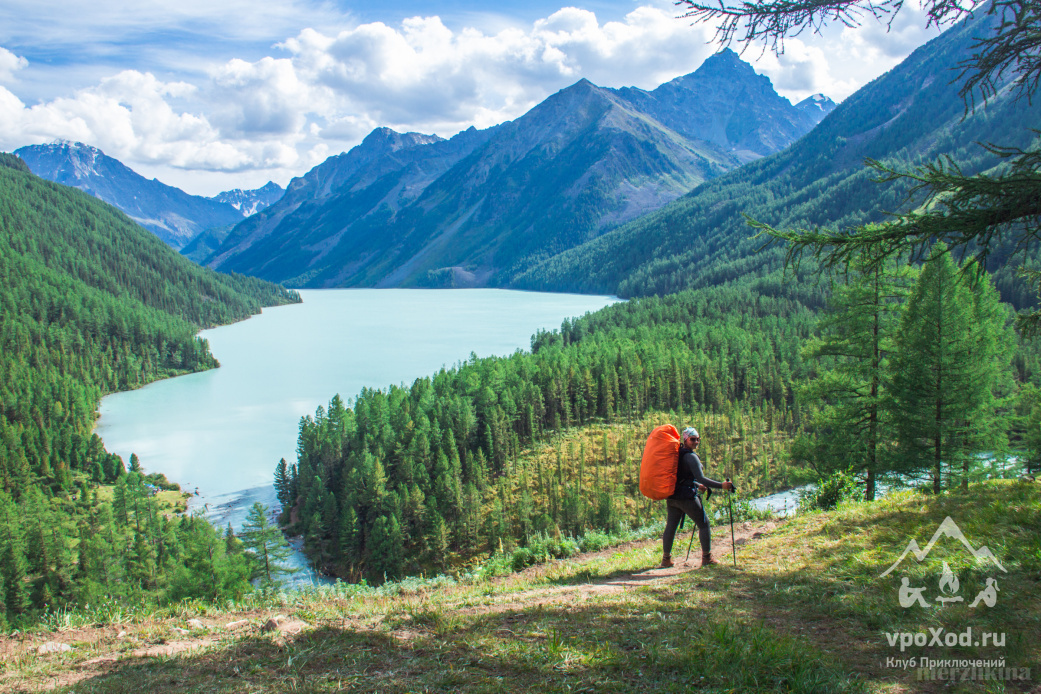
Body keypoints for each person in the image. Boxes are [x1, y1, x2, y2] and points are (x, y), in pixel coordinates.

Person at [661, 426, 733, 568]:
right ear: (686, 439)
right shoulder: (691, 457)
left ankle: (666, 559)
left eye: (698, 439)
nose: (696, 442)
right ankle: (707, 558)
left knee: (671, 527)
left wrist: (696, 484)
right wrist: (722, 485)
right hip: (687, 497)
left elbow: (682, 476)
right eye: (693, 439)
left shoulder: (677, 455)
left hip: (672, 496)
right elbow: (702, 477)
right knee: (704, 524)